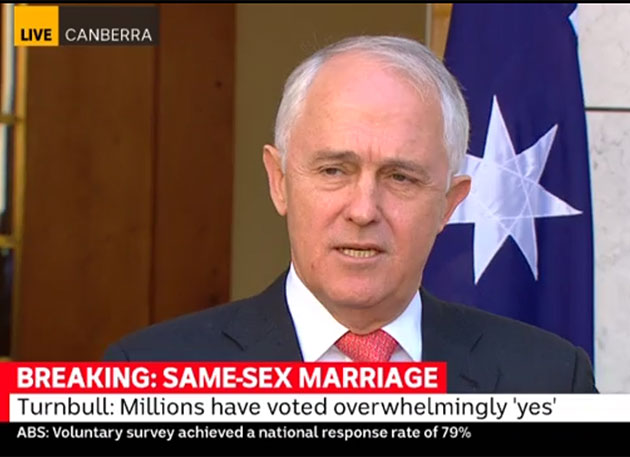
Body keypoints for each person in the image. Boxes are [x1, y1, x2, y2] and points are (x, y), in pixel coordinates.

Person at [104, 35, 597, 393]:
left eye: (400, 178)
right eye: (334, 170)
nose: (363, 210)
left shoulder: (550, 378)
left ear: (449, 203)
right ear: (279, 181)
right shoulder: (147, 378)